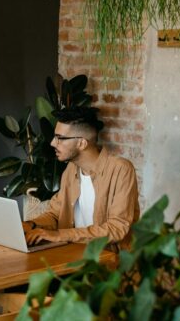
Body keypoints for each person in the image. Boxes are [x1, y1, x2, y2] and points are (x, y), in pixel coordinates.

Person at [23, 106, 140, 252]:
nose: (53, 143)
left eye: (60, 138)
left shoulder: (121, 170)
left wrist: (61, 235)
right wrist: (30, 225)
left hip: (108, 263)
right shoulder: (71, 170)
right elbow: (54, 214)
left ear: (82, 143)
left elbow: (117, 228)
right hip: (71, 256)